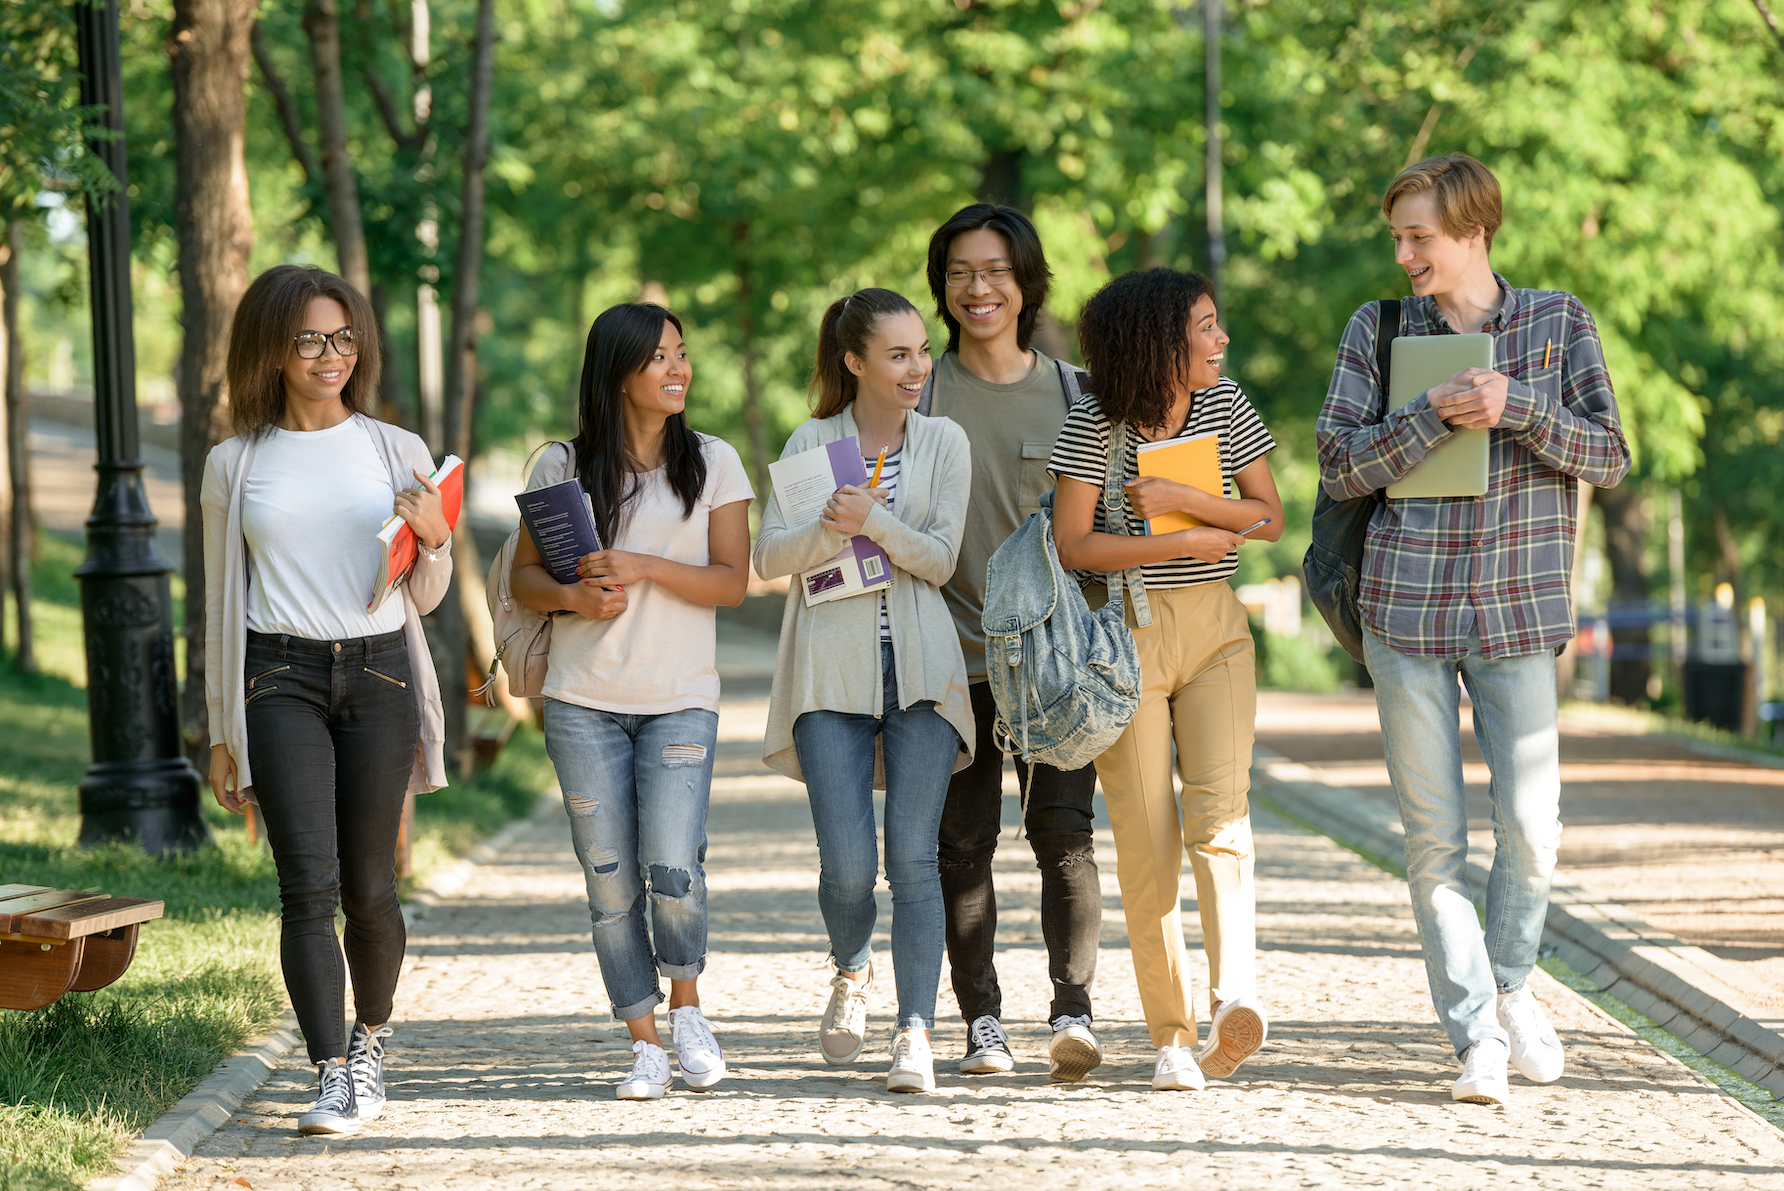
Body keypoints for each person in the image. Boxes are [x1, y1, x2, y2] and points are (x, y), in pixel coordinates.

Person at [1316, 154, 1631, 1105]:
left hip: (1517, 611)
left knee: (1533, 831)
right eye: (1399, 237)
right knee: (1433, 842)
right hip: (1404, 613)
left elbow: (1610, 455)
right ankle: (1475, 1038)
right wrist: (1427, 420)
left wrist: (1517, 407)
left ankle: (1508, 983)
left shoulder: (1558, 321)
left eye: (1420, 236)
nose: (1405, 253)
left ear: (1473, 231)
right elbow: (1336, 466)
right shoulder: (1376, 330)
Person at [202, 265, 451, 1135]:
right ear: (271, 347)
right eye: (310, 337)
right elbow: (220, 601)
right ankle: (331, 1071)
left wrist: (436, 539)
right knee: (305, 885)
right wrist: (220, 729)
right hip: (279, 677)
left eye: (343, 336)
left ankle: (371, 1039)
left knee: (371, 886)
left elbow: (426, 595)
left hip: (380, 671)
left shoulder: (396, 450)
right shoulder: (234, 465)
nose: (330, 353)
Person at [510, 303, 754, 1100]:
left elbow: (731, 581)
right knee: (609, 878)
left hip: (681, 697)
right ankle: (643, 1038)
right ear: (617, 373)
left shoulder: (713, 462)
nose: (677, 369)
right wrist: (575, 600)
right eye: (658, 358)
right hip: (582, 701)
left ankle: (688, 1010)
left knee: (673, 865)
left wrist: (645, 565)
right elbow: (523, 581)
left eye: (682, 353)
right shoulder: (561, 466)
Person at [1049, 268, 1283, 1092]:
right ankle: (1172, 1034)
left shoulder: (1225, 406)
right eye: (1207, 328)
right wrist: (1171, 542)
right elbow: (1074, 544)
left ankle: (1233, 999)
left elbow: (1268, 516)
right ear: (1158, 343)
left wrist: (1189, 499)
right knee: (1148, 844)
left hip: (1216, 631)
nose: (1221, 341)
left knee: (1222, 818)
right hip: (1126, 642)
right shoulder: (1093, 423)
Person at [755, 288, 973, 1094]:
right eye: (898, 354)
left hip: (921, 670)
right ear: (855, 362)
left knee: (913, 858)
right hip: (829, 671)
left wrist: (875, 521)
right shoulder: (813, 441)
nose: (917, 367)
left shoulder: (944, 441)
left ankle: (914, 1028)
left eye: (922, 351)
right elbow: (771, 558)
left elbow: (943, 559)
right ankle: (852, 968)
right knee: (848, 866)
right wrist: (830, 529)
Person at [917, 203, 1107, 1081]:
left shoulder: (1077, 394)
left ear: (1026, 283)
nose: (977, 288)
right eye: (960, 272)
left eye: (994, 270)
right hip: (948, 662)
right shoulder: (917, 394)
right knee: (962, 846)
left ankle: (1074, 1010)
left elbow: (1105, 523)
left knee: (1063, 834)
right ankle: (981, 1020)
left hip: (1053, 670)